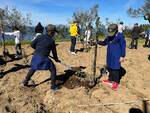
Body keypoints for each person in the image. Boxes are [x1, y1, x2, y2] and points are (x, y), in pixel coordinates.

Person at [22, 24, 60, 91]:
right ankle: (53, 86)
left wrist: (37, 49)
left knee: (33, 68)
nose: (54, 34)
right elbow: (54, 53)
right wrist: (56, 59)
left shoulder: (39, 37)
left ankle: (25, 82)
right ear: (51, 32)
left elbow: (32, 44)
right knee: (53, 69)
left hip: (35, 57)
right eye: (54, 32)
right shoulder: (52, 41)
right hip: (44, 58)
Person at [98, 24, 126, 91]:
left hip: (117, 55)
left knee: (115, 68)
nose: (110, 34)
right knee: (110, 66)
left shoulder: (120, 36)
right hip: (110, 54)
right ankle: (110, 80)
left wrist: (122, 56)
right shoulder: (109, 36)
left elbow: (123, 46)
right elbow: (105, 43)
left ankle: (115, 82)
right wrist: (98, 42)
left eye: (112, 32)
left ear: (116, 31)